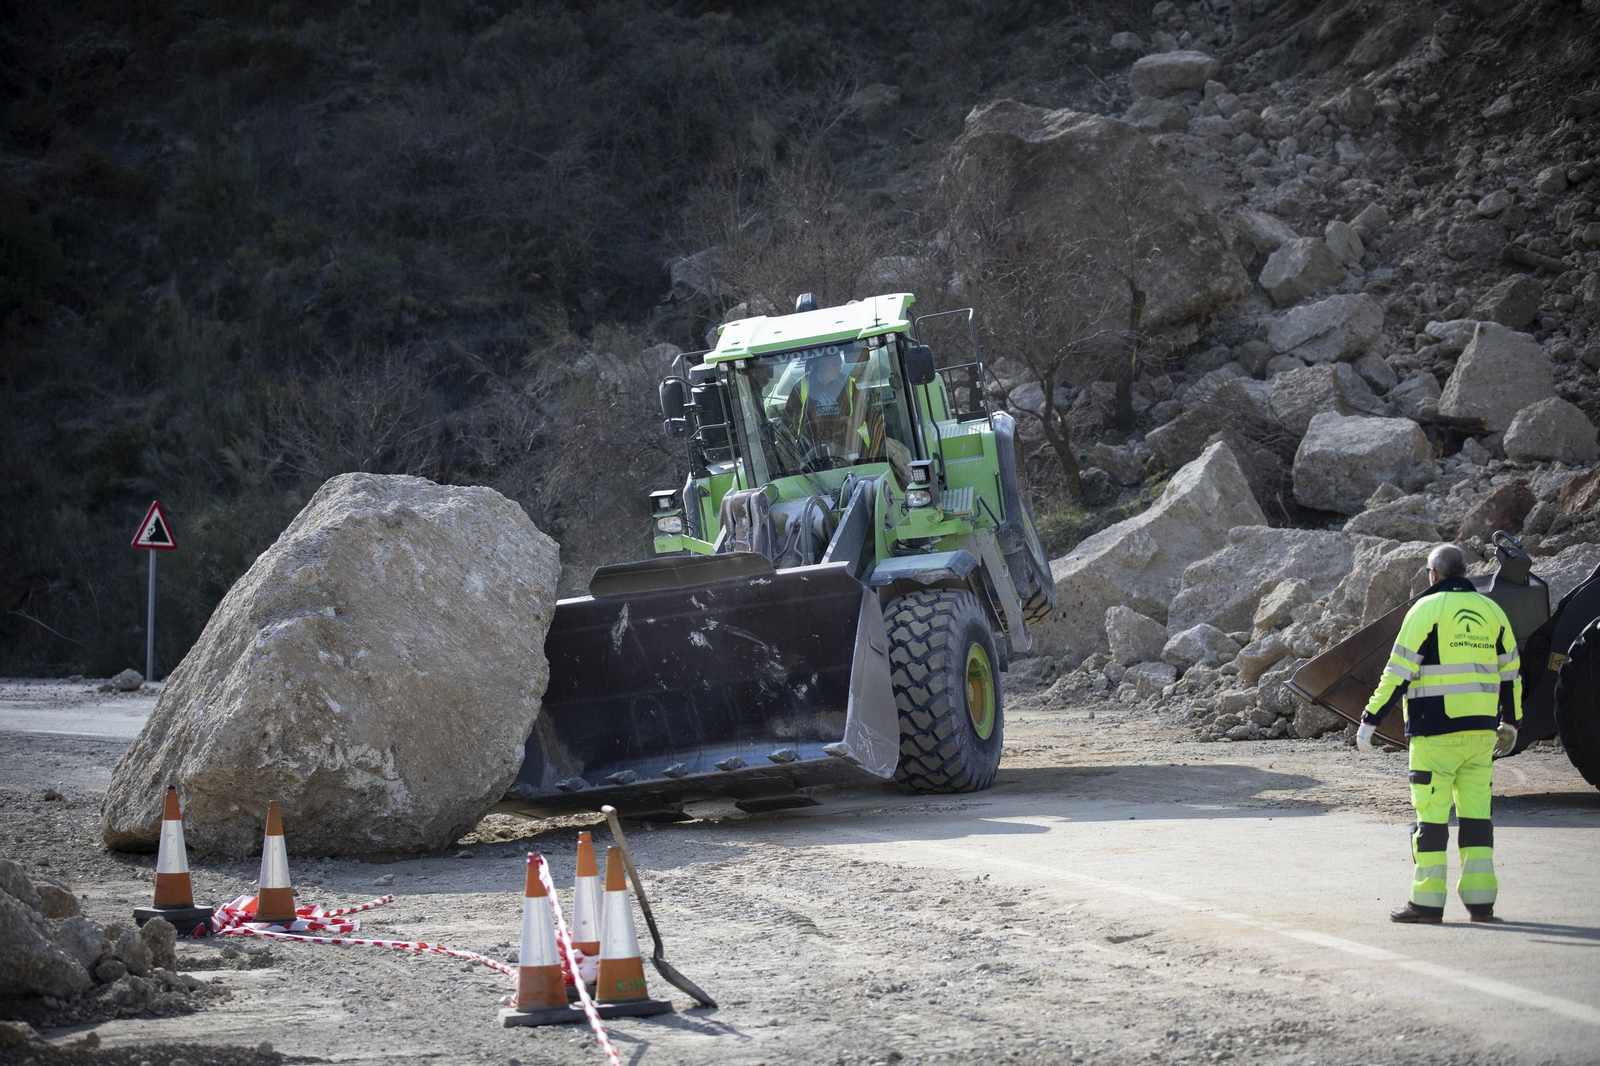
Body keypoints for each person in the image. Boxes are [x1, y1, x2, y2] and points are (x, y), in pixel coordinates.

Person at [1359, 543, 1522, 924]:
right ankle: (1481, 904)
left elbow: (1397, 671)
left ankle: (1427, 904)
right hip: (1482, 736)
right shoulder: (1492, 611)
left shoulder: (1426, 610)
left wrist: (1370, 718)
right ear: (1464, 572)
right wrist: (1511, 723)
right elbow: (1512, 674)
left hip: (1435, 735)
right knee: (1477, 820)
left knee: (1430, 822)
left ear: (1433, 575)